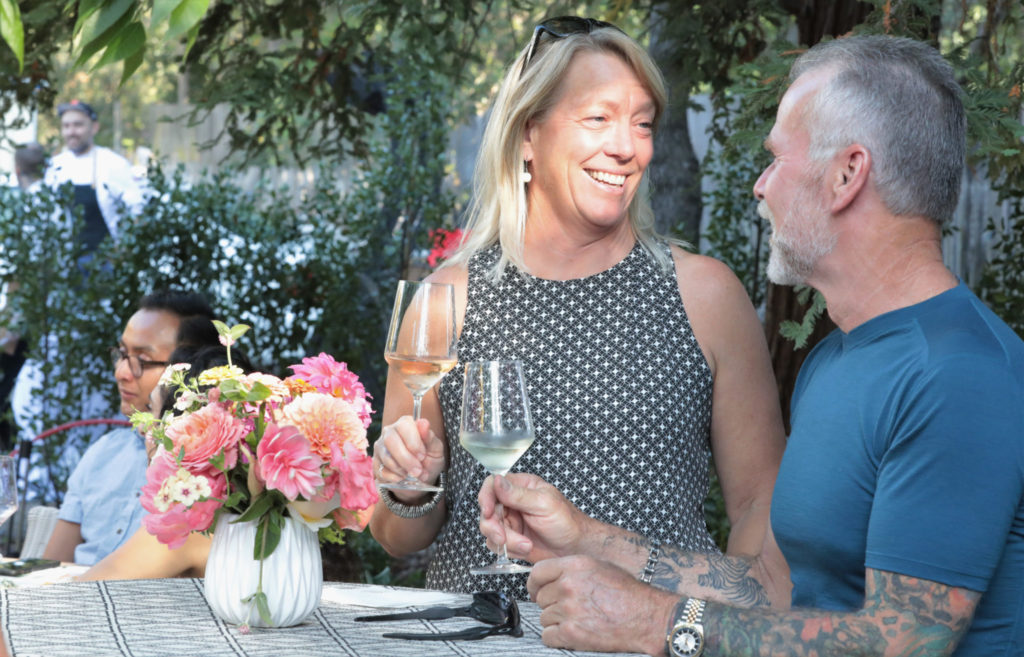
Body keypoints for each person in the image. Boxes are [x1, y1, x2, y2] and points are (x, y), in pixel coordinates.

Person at [476, 34, 1024, 657]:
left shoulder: (958, 374)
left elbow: (907, 644)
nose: (760, 187)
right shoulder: (834, 360)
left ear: (847, 174)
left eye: (776, 160)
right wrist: (583, 537)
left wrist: (659, 624)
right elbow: (772, 586)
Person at [371, 16, 786, 599]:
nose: (625, 147)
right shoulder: (450, 298)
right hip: (482, 639)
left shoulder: (705, 295)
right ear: (527, 135)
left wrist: (723, 623)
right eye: (598, 118)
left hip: (650, 639)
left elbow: (760, 511)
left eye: (642, 124)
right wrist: (409, 490)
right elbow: (394, 537)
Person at [42, 290, 220, 565]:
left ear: (192, 368)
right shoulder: (102, 453)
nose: (121, 373)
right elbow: (50, 566)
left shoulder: (208, 473)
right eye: (122, 354)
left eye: (143, 361)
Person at [81, 344, 256, 581]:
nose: (143, 429)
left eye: (152, 412)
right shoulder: (257, 517)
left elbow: (79, 593)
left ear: (189, 434)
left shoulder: (191, 527)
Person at [46, 99, 145, 255]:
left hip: (104, 262)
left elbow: (137, 208)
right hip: (66, 263)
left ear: (94, 127)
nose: (71, 131)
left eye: (78, 125)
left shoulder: (113, 163)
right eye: (66, 126)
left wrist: (124, 249)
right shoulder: (55, 166)